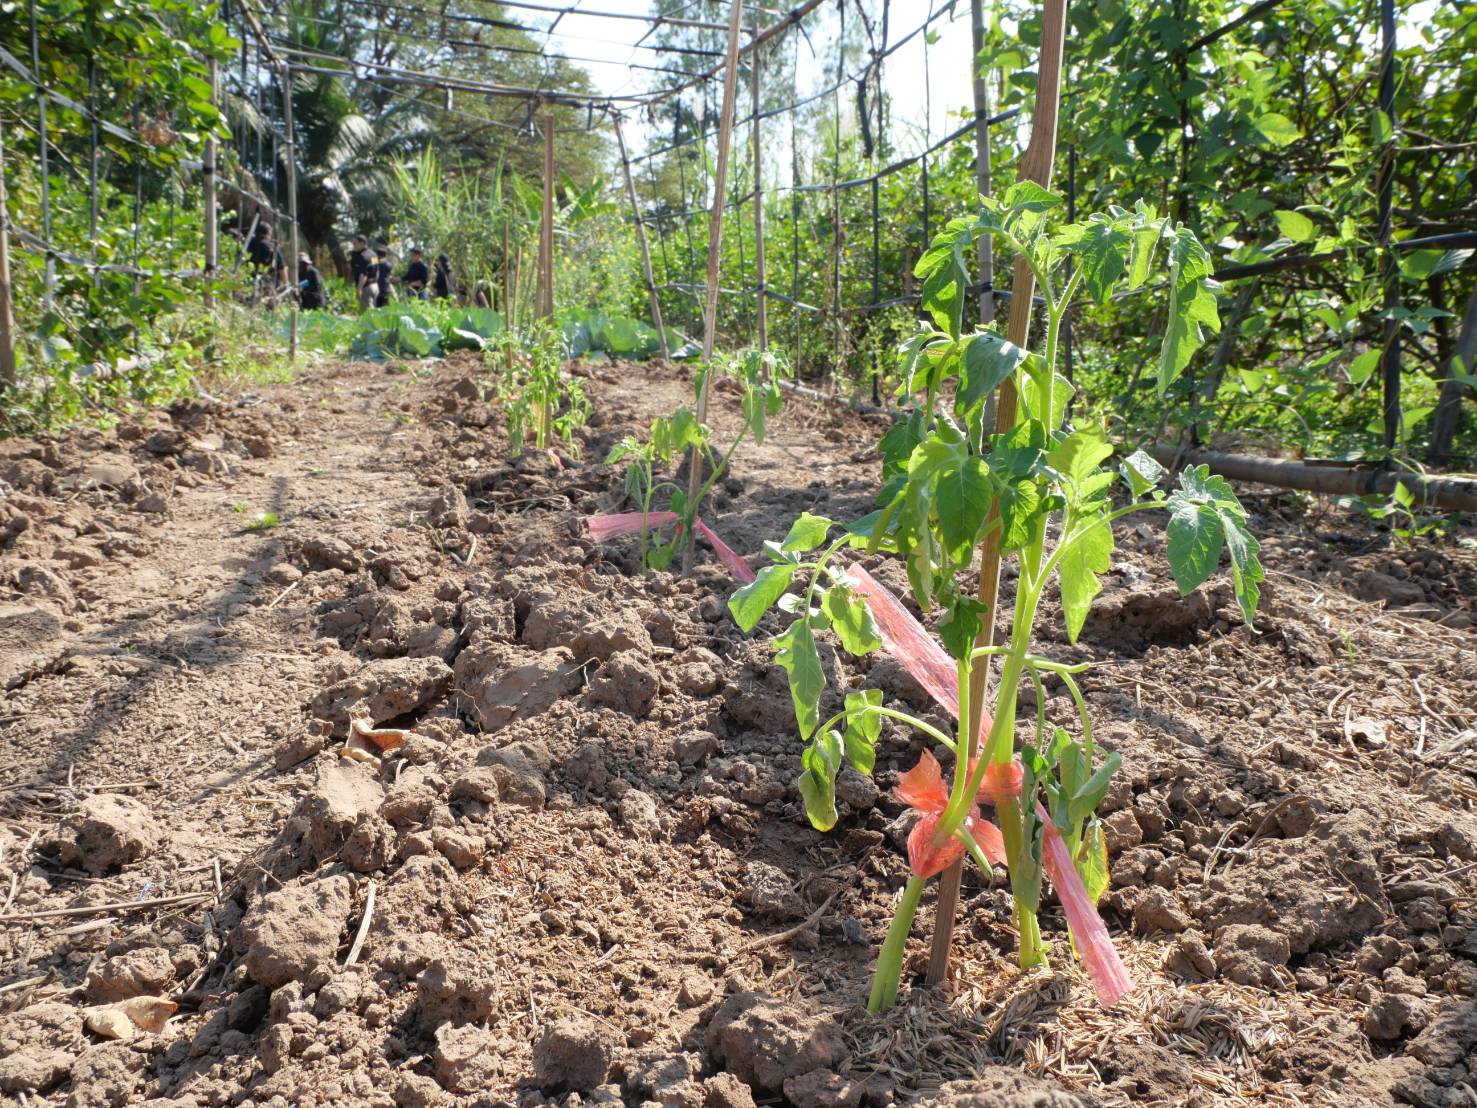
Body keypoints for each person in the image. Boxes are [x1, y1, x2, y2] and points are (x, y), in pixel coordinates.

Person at [248, 224, 287, 293]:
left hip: (249, 282)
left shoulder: (248, 244)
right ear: (269, 233)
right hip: (268, 285)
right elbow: (282, 269)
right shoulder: (273, 246)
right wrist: (284, 285)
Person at [350, 234, 377, 311]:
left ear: (361, 243)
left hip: (366, 287)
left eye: (355, 243)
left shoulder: (362, 256)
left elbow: (363, 275)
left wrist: (359, 289)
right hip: (375, 286)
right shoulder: (373, 254)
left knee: (367, 313)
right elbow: (377, 270)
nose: (353, 246)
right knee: (374, 309)